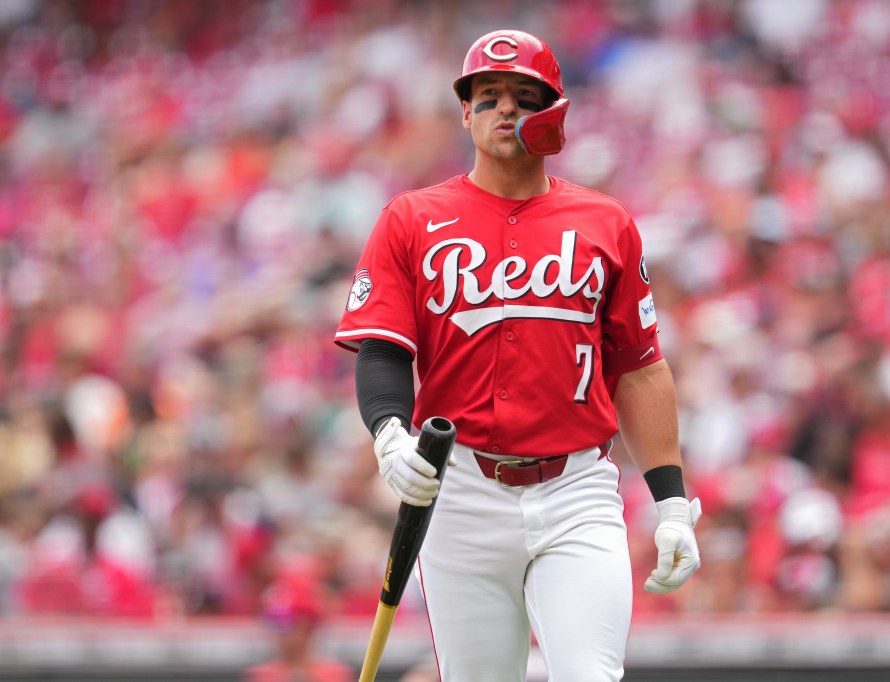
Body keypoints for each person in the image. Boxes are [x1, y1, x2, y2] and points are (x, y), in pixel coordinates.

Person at [334, 29, 701, 681]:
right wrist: (390, 436)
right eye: (488, 95)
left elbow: (639, 366)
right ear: (465, 111)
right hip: (463, 490)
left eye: (525, 96)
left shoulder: (604, 221)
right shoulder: (411, 217)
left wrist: (670, 502)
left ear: (555, 114)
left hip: (576, 490)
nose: (505, 109)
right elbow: (382, 346)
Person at [245, 571, 353, 682]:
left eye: (285, 622)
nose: (279, 633)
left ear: (307, 625)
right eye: (274, 623)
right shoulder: (261, 675)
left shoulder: (335, 675)